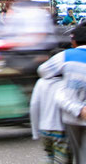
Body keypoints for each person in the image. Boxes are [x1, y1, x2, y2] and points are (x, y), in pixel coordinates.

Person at [38, 24, 86, 162]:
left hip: (71, 115)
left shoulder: (66, 55)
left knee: (78, 152)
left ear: (74, 42)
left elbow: (43, 71)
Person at [30, 74, 72, 164]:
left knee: (49, 157)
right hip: (60, 129)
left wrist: (35, 131)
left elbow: (34, 105)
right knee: (61, 160)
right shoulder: (65, 83)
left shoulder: (41, 82)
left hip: (44, 129)